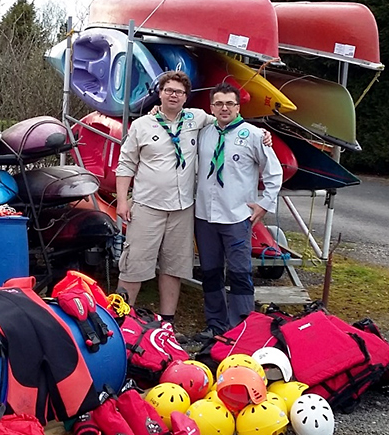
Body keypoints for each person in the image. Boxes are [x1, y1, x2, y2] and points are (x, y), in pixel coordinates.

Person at [114, 71, 212, 325]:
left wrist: (261, 135)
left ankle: (167, 322)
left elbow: (227, 122)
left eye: (179, 92)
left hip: (182, 208)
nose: (174, 95)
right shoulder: (142, 125)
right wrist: (123, 201)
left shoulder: (197, 118)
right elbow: (126, 164)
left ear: (186, 97)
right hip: (147, 206)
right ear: (159, 93)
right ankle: (121, 319)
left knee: (175, 267)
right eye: (169, 90)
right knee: (133, 264)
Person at [194, 82, 283, 343]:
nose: (224, 108)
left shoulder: (254, 135)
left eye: (229, 103)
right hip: (205, 215)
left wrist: (264, 204)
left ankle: (242, 325)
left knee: (239, 272)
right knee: (209, 271)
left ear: (238, 106)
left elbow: (273, 172)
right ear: (211, 107)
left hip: (236, 216)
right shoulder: (204, 133)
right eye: (219, 103)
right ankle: (216, 324)